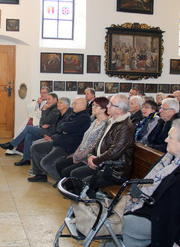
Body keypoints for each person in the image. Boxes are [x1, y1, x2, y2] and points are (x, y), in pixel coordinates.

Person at [104, 119, 180, 247]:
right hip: (145, 206)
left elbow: (163, 203)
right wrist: (135, 193)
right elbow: (147, 184)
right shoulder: (167, 160)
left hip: (159, 220)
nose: (166, 140)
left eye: (170, 137)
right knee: (110, 222)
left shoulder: (176, 171)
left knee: (116, 224)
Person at [71, 94, 135, 198]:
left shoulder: (125, 127)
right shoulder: (111, 121)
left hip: (115, 171)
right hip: (103, 165)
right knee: (75, 173)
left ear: (120, 110)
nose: (108, 106)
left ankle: (91, 209)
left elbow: (114, 152)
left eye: (111, 104)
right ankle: (81, 205)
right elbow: (98, 141)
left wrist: (95, 161)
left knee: (86, 182)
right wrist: (90, 156)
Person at [28, 97, 91, 183]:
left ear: (83, 105)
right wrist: (64, 129)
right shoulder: (73, 114)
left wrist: (65, 128)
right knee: (35, 147)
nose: (73, 105)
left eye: (75, 103)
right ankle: (40, 174)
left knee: (46, 163)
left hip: (66, 146)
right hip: (58, 141)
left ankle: (62, 182)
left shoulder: (84, 118)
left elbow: (66, 127)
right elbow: (61, 126)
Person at [55, 97, 110, 181]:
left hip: (88, 157)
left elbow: (94, 145)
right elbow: (84, 140)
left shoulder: (105, 124)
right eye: (93, 105)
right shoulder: (94, 121)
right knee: (59, 164)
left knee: (67, 171)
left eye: (95, 106)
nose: (92, 107)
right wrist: (76, 154)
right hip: (80, 153)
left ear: (103, 109)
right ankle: (68, 187)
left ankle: (73, 191)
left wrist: (78, 156)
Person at [0, 93, 60, 166]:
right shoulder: (50, 108)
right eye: (47, 99)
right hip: (44, 130)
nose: (47, 101)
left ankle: (12, 144)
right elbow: (42, 121)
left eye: (49, 99)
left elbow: (45, 121)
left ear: (55, 100)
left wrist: (44, 110)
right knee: (28, 136)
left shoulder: (55, 110)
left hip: (49, 133)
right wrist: (43, 123)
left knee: (28, 128)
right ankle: (26, 159)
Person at [5, 87, 49, 156]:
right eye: (41, 92)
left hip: (39, 123)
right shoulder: (38, 101)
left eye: (44, 93)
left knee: (27, 129)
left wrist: (36, 112)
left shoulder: (49, 102)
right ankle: (14, 147)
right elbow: (30, 110)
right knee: (21, 129)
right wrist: (37, 103)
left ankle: (13, 145)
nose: (42, 94)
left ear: (48, 93)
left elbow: (42, 114)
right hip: (33, 120)